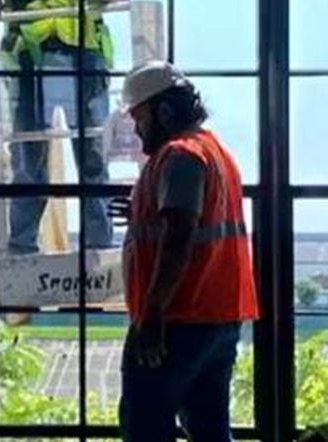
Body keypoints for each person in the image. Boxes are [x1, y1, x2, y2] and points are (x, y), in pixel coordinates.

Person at [113, 61, 260, 441]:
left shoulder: (180, 155)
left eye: (139, 117)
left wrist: (152, 315)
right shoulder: (216, 152)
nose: (136, 128)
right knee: (209, 427)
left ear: (163, 111)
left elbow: (180, 235)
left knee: (145, 423)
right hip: (220, 315)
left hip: (178, 317)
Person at [0, 0, 129, 254]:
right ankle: (22, 247)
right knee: (28, 155)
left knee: (92, 154)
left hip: (83, 50)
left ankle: (99, 243)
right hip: (29, 53)